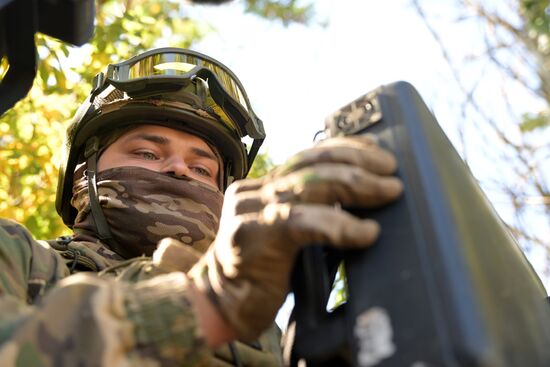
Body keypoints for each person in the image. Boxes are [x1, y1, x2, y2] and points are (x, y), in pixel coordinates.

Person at [0, 47, 403, 366]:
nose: (178, 169)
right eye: (146, 153)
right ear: (79, 182)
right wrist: (204, 305)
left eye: (201, 167)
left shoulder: (266, 333)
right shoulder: (20, 259)